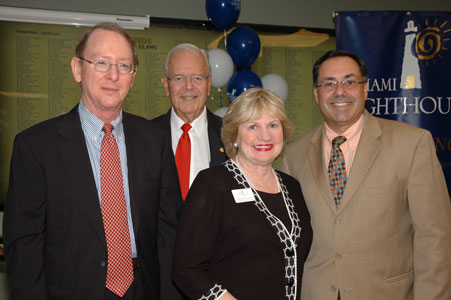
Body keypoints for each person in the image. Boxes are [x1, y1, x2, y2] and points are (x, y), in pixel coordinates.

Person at [3, 22, 182, 300]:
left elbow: (169, 234)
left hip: (143, 290)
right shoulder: (35, 147)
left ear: (133, 77)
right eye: (101, 62)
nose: (113, 75)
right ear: (77, 69)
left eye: (124, 66)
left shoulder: (155, 141)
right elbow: (24, 248)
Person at [281, 50, 451, 300]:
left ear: (366, 89)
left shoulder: (412, 144)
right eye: (329, 84)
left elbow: (434, 237)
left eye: (349, 82)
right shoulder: (293, 154)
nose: (340, 91)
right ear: (317, 94)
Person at [172, 88, 313, 300]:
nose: (264, 135)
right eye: (253, 126)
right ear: (235, 135)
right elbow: (186, 268)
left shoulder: (292, 187)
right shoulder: (212, 184)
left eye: (273, 125)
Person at [152, 43, 227, 201]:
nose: (188, 86)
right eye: (179, 78)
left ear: (208, 84)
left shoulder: (231, 135)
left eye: (197, 78)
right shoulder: (146, 137)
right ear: (166, 85)